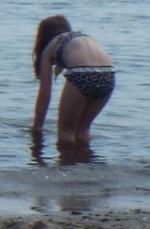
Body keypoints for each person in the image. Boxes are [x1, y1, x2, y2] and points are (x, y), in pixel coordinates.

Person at [32, 16, 114, 148]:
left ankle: (67, 160)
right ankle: (84, 158)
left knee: (66, 134)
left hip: (82, 74)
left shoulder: (50, 47)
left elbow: (44, 95)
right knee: (83, 129)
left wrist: (37, 128)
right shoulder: (81, 37)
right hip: (108, 75)